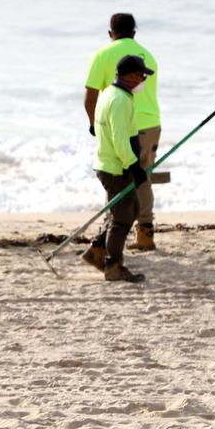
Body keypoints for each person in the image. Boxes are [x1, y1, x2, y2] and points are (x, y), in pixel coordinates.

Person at [84, 13, 161, 250]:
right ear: (134, 33)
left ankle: (108, 237)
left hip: (120, 125)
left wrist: (94, 126)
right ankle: (145, 234)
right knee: (142, 179)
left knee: (119, 180)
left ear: (110, 33)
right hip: (150, 123)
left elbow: (90, 98)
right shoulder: (148, 55)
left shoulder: (102, 55)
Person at [81, 54, 153, 283]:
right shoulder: (120, 101)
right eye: (141, 75)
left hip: (110, 163)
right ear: (130, 76)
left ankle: (96, 250)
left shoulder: (111, 94)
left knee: (129, 210)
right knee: (122, 217)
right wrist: (133, 166)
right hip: (116, 167)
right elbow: (120, 140)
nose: (143, 79)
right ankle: (113, 265)